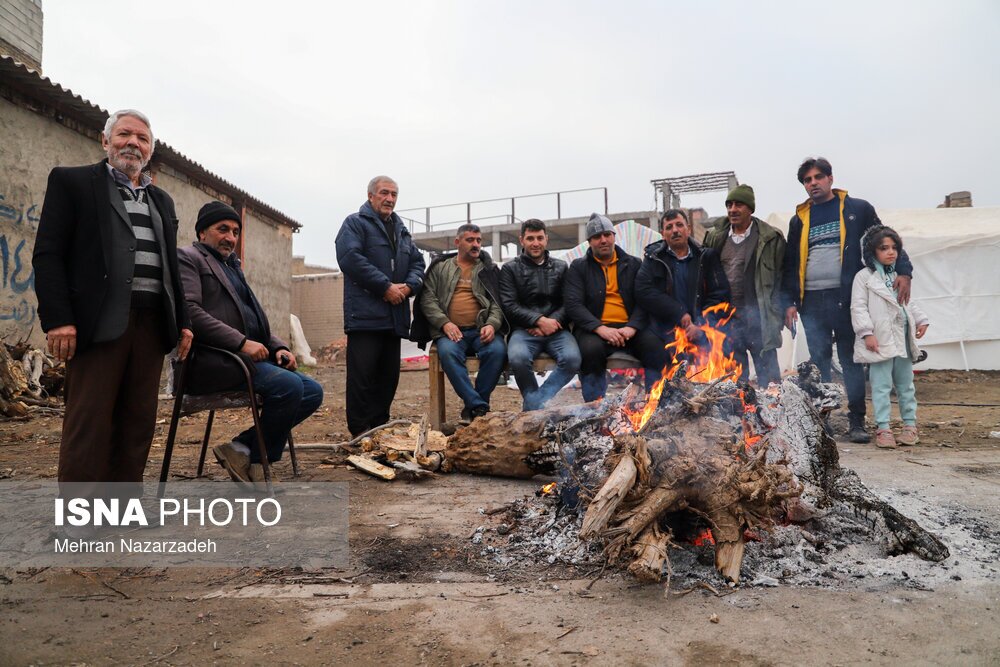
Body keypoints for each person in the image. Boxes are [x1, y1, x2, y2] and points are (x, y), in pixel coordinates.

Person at [33, 109, 193, 484]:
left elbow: (170, 266)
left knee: (137, 422)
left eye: (142, 139)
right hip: (97, 323)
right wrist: (59, 319)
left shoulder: (162, 201)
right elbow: (48, 254)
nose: (133, 143)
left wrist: (183, 321)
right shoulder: (72, 183)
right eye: (124, 135)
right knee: (89, 422)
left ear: (150, 151)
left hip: (151, 326)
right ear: (105, 141)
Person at [178, 201, 323, 485]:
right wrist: (242, 343)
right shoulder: (188, 258)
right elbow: (191, 312)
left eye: (235, 231)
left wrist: (279, 346)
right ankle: (258, 465)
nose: (231, 237)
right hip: (212, 360)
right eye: (223, 229)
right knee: (289, 386)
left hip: (241, 359)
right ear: (202, 232)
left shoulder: (232, 267)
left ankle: (242, 450)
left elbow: (254, 319)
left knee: (312, 391)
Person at [782, 157, 914, 443]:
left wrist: (904, 270)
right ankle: (823, 420)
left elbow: (884, 239)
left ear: (830, 178)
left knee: (851, 360)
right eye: (807, 180)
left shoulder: (857, 210)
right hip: (811, 302)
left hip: (847, 298)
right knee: (818, 362)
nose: (813, 183)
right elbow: (790, 262)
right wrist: (789, 302)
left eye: (818, 177)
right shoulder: (799, 220)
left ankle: (856, 420)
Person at [335, 176, 425, 437]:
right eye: (385, 193)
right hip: (364, 317)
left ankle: (379, 429)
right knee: (362, 379)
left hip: (393, 317)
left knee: (388, 379)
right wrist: (385, 287)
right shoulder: (355, 224)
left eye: (394, 194)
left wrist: (408, 287)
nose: (390, 199)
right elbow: (350, 258)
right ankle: (360, 433)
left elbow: (419, 264)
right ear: (370, 195)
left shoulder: (401, 230)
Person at [565, 213, 668, 402]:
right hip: (595, 328)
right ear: (589, 241)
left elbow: (645, 300)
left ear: (614, 236)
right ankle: (595, 407)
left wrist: (632, 327)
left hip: (630, 327)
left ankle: (656, 402)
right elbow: (574, 305)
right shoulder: (579, 267)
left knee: (655, 347)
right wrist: (601, 329)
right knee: (590, 351)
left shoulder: (635, 264)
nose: (603, 240)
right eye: (597, 237)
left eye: (607, 234)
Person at [413, 224, 506, 423]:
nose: (476, 245)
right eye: (470, 240)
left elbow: (498, 303)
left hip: (481, 330)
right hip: (451, 333)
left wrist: (492, 324)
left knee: (497, 350)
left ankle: (472, 409)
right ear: (457, 242)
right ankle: (478, 406)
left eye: (478, 240)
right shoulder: (440, 268)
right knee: (447, 353)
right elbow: (427, 300)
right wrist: (445, 323)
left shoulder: (488, 270)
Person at [850, 226, 929, 449]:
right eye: (884, 248)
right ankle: (883, 428)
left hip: (902, 338)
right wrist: (867, 333)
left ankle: (910, 426)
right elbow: (858, 307)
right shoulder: (864, 278)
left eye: (894, 248)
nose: (890, 252)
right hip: (880, 341)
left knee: (906, 385)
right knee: (881, 386)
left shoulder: (898, 275)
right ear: (871, 250)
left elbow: (907, 301)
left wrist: (921, 319)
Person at [703, 186, 786, 386]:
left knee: (770, 381)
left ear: (750, 208)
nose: (732, 209)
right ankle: (741, 415)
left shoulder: (770, 238)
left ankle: (773, 414)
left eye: (738, 204)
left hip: (759, 317)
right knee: (734, 382)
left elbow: (781, 278)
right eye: (729, 205)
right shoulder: (715, 236)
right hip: (728, 319)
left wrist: (779, 312)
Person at [499, 219, 581, 411]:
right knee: (518, 359)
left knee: (572, 359)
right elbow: (509, 305)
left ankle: (535, 404)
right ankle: (537, 407)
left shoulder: (562, 267)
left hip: (557, 329)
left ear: (546, 239)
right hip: (523, 330)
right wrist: (538, 321)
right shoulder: (510, 269)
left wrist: (551, 323)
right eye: (530, 238)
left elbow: (569, 302)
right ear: (521, 240)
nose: (535, 243)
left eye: (539, 238)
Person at [635, 209, 729, 348]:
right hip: (665, 331)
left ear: (688, 229)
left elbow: (720, 294)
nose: (675, 230)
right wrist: (679, 313)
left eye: (679, 225)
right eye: (669, 227)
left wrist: (701, 325)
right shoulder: (653, 258)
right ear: (663, 234)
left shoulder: (706, 257)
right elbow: (643, 291)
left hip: (703, 329)